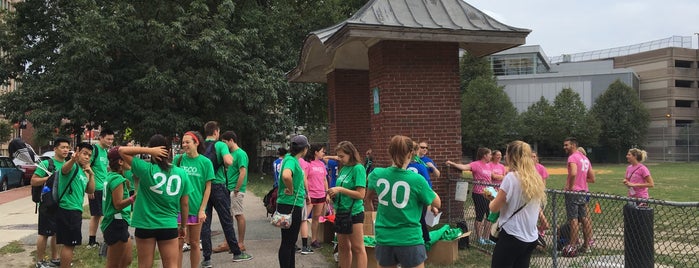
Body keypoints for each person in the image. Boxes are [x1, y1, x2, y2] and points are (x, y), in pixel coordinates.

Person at [367, 135, 441, 268]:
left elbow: (367, 199)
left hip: (384, 236)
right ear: (411, 154)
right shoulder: (417, 180)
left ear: (390, 152)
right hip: (409, 238)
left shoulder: (376, 174)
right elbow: (437, 203)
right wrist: (427, 188)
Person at [118, 134, 191, 268]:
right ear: (169, 151)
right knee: (171, 265)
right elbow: (185, 203)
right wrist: (183, 226)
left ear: (153, 151)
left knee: (144, 265)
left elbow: (121, 150)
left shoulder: (145, 169)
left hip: (145, 224)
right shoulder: (181, 173)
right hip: (168, 224)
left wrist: (149, 150)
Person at [486, 140, 547, 268]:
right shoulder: (535, 178)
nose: (504, 157)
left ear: (512, 156)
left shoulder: (511, 177)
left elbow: (495, 207)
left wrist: (491, 198)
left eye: (506, 153)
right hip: (531, 236)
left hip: (512, 235)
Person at [200, 122, 252, 266]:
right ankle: (236, 253)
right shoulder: (220, 145)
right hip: (218, 186)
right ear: (216, 132)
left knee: (205, 221)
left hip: (204, 187)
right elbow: (229, 161)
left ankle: (207, 259)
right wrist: (225, 163)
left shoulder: (200, 145)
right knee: (226, 220)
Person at [172, 131, 213, 268]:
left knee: (195, 243)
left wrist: (202, 209)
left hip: (196, 208)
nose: (184, 145)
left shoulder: (205, 162)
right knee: (178, 242)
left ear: (196, 143)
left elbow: (208, 188)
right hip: (178, 208)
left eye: (187, 142)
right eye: (183, 142)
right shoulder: (178, 160)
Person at [31, 137, 71, 268]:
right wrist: (49, 178)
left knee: (57, 233)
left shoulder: (67, 164)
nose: (66, 150)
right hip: (47, 204)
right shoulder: (47, 164)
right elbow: (34, 181)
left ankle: (55, 258)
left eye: (67, 147)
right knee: (44, 233)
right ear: (55, 149)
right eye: (63, 147)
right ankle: (40, 261)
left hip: (62, 203)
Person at [327, 141, 367, 268]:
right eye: (338, 156)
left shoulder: (358, 168)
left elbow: (361, 194)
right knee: (343, 247)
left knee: (357, 247)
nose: (340, 159)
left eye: (342, 156)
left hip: (354, 212)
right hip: (341, 211)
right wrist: (333, 194)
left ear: (351, 154)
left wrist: (340, 190)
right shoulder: (344, 168)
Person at [56, 142, 96, 268]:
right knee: (69, 244)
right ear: (77, 152)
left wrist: (91, 174)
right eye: (84, 153)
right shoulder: (72, 167)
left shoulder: (83, 171)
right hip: (68, 209)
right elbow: (64, 169)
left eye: (89, 155)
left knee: (69, 244)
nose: (87, 157)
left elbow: (90, 190)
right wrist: (72, 160)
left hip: (75, 211)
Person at [446, 147, 494, 245]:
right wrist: (452, 163)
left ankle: (486, 237)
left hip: (489, 193)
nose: (491, 156)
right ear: (484, 155)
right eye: (489, 154)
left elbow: (491, 177)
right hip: (479, 193)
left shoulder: (489, 166)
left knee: (490, 216)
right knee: (480, 215)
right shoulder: (476, 164)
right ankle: (479, 238)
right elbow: (464, 167)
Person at [277, 135, 309, 268]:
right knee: (288, 242)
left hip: (289, 204)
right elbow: (286, 175)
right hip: (290, 205)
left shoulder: (291, 159)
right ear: (305, 149)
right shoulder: (290, 160)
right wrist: (290, 189)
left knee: (290, 242)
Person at [102, 147, 134, 268]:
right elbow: (118, 204)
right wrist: (133, 198)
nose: (131, 161)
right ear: (120, 162)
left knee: (126, 260)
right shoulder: (117, 179)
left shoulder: (111, 175)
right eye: (129, 158)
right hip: (115, 222)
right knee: (113, 264)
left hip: (120, 221)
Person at [563, 137, 595, 255]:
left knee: (573, 219)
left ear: (573, 145)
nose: (565, 147)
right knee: (585, 218)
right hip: (584, 191)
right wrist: (581, 180)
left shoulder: (572, 157)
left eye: (567, 145)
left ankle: (572, 245)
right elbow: (592, 178)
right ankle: (587, 245)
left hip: (574, 193)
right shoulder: (585, 158)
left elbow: (573, 173)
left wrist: (570, 187)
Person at [221, 131, 251, 253]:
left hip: (236, 189)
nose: (223, 145)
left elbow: (242, 171)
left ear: (231, 140)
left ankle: (240, 243)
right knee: (228, 215)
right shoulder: (229, 154)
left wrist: (237, 189)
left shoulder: (240, 154)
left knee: (238, 214)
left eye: (225, 142)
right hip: (228, 187)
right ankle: (228, 241)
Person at [88, 129, 114, 249]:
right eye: (108, 139)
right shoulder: (95, 150)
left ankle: (95, 241)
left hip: (104, 187)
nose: (110, 141)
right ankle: (103, 240)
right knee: (100, 215)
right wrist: (90, 188)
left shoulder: (105, 151)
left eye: (112, 139)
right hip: (96, 187)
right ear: (101, 138)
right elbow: (86, 166)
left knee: (99, 215)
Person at [303, 144, 329, 249]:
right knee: (303, 218)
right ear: (316, 152)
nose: (324, 153)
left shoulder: (322, 164)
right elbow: (304, 178)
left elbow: (324, 179)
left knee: (316, 218)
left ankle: (314, 240)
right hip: (311, 195)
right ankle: (300, 240)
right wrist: (307, 193)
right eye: (322, 151)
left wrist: (327, 192)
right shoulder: (308, 164)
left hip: (321, 194)